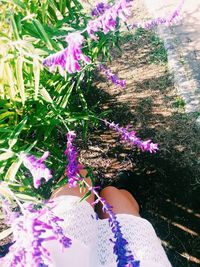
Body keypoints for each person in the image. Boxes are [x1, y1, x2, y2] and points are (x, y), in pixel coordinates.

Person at [44, 168, 172, 267]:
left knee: (79, 176)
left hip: (53, 256)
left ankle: (104, 195)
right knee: (113, 196)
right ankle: (122, 193)